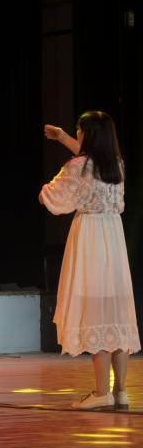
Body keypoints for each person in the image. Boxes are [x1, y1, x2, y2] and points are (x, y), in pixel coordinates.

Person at [42, 112, 139, 410]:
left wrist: (46, 190)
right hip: (114, 240)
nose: (78, 136)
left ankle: (101, 392)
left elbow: (54, 198)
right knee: (115, 314)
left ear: (87, 135)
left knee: (97, 313)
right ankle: (120, 391)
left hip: (90, 239)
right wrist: (62, 138)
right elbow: (92, 159)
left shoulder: (78, 167)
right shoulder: (116, 165)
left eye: (79, 132)